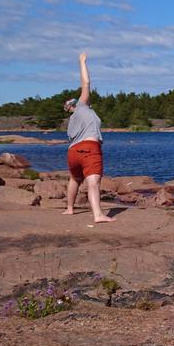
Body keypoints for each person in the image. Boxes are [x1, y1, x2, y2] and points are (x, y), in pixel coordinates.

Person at [63, 52, 114, 223]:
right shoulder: (81, 107)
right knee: (93, 182)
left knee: (75, 179)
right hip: (89, 149)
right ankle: (98, 215)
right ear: (73, 105)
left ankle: (69, 209)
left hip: (73, 152)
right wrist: (82, 62)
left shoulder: (72, 120)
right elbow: (86, 83)